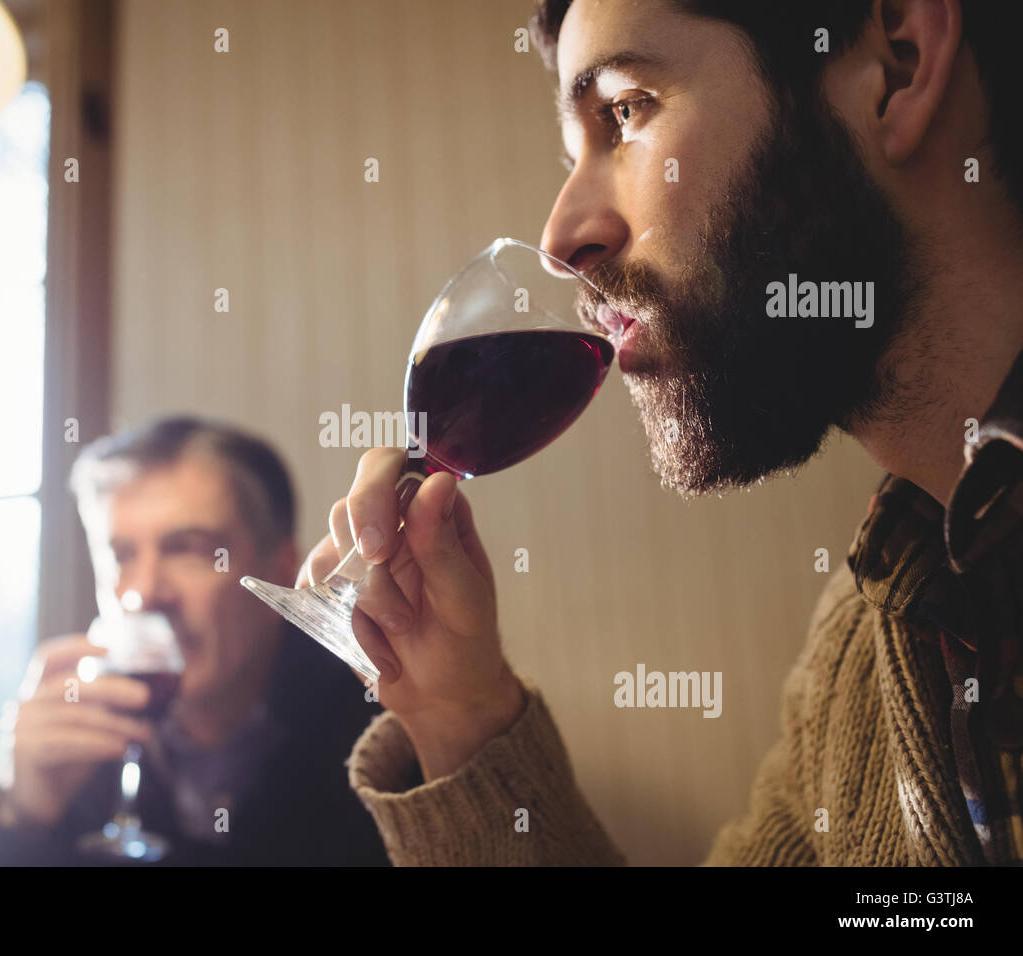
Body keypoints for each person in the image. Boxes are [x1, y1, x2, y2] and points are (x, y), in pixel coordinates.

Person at [302, 0, 1023, 865]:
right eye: (574, 156)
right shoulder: (867, 648)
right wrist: (460, 713)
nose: (563, 238)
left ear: (898, 65)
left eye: (625, 110)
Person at [0, 416, 388, 865]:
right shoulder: (79, 750)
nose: (143, 594)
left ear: (282, 570)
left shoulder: (378, 738)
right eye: (121, 556)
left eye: (189, 550)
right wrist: (19, 817)